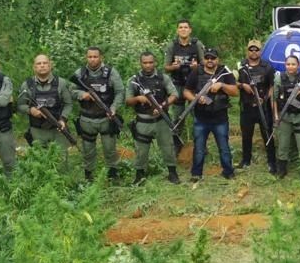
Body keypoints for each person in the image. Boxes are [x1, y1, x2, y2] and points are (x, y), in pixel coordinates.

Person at [70, 47, 125, 182]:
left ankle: (113, 175)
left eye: (95, 57)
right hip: (87, 119)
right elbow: (70, 91)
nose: (92, 59)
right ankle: (89, 177)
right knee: (88, 150)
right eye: (90, 57)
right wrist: (82, 94)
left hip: (106, 117)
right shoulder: (80, 73)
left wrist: (113, 108)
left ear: (101, 58)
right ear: (86, 58)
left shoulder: (111, 73)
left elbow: (120, 92)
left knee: (110, 149)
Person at [183, 48, 238, 182]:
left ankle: (228, 172)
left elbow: (235, 92)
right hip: (201, 118)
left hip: (220, 118)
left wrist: (221, 85)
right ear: (204, 59)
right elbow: (186, 91)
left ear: (217, 60)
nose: (210, 60)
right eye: (207, 58)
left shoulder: (224, 72)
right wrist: (195, 99)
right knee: (199, 148)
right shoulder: (196, 72)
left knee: (224, 147)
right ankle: (196, 174)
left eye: (212, 58)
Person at [126, 52, 180, 185]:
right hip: (143, 120)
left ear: (155, 62)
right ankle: (139, 176)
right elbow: (127, 101)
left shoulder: (163, 78)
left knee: (168, 147)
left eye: (150, 62)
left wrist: (162, 106)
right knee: (141, 150)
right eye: (145, 62)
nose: (148, 65)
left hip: (161, 120)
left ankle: (172, 173)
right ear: (141, 63)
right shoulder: (134, 80)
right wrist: (138, 98)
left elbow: (174, 94)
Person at [17, 54, 73, 158]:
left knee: (61, 161)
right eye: (39, 63)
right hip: (37, 131)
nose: (42, 65)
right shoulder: (27, 85)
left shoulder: (61, 83)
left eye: (45, 63)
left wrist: (63, 119)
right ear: (34, 67)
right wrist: (31, 110)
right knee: (40, 162)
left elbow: (68, 104)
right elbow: (20, 105)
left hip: (58, 130)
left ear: (50, 65)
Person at [164, 19, 205, 150]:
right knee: (178, 117)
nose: (183, 29)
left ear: (190, 30)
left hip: (194, 85)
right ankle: (176, 146)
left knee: (197, 115)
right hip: (178, 85)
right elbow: (166, 67)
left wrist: (196, 67)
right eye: (180, 27)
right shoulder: (172, 45)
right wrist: (174, 67)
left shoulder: (197, 44)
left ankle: (200, 146)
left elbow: (205, 64)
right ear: (177, 30)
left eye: (186, 27)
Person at [238, 39, 276, 173]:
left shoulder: (267, 67)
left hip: (263, 107)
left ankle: (272, 162)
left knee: (267, 134)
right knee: (246, 136)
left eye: (256, 50)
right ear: (247, 51)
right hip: (247, 106)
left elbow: (272, 86)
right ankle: (246, 160)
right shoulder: (240, 66)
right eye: (251, 49)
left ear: (260, 51)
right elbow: (232, 83)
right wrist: (243, 85)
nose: (253, 52)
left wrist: (266, 99)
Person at [273, 55, 300, 178]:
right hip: (284, 117)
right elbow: (274, 99)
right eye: (288, 64)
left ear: (298, 65)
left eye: (293, 64)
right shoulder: (279, 78)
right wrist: (276, 116)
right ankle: (282, 169)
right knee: (283, 145)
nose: (290, 66)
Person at [0, 53, 17, 176]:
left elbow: (3, 101)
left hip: (2, 128)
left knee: (9, 163)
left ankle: (13, 190)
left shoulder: (5, 80)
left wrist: (0, 99)